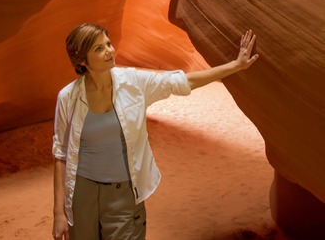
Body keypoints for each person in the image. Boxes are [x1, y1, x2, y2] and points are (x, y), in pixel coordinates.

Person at [52, 23, 259, 240]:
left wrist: (236, 65)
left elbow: (182, 81)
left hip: (124, 193)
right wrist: (59, 213)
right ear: (82, 61)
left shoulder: (134, 83)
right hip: (82, 194)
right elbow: (61, 154)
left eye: (108, 44)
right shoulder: (68, 98)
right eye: (99, 49)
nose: (109, 51)